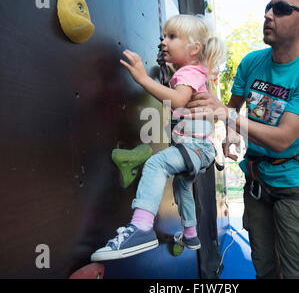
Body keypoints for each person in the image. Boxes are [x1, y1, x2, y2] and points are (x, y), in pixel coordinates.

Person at [187, 0, 299, 278]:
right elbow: (234, 108)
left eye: (281, 9)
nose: (268, 15)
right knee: (264, 269)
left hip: (293, 188)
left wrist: (224, 114)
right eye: (268, 7)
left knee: (298, 273)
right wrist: (229, 134)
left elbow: (281, 140)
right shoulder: (251, 62)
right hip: (255, 184)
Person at [90, 14, 225, 261]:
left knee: (156, 163)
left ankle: (141, 227)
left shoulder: (189, 75)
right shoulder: (192, 72)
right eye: (164, 36)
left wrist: (142, 78)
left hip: (194, 147)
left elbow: (178, 100)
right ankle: (191, 233)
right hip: (200, 150)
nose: (164, 41)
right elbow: (181, 89)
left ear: (194, 48)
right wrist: (172, 69)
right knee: (183, 185)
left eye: (172, 37)